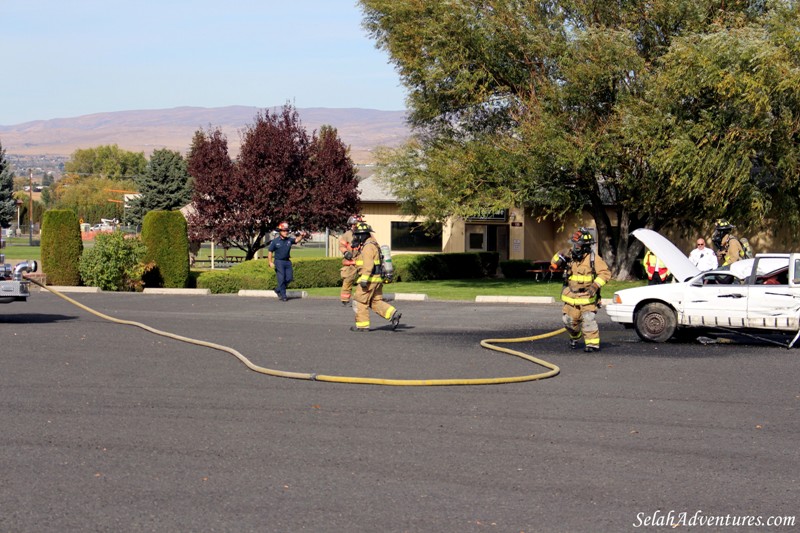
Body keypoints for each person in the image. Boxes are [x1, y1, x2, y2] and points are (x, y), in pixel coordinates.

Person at [550, 228, 611, 352]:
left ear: (585, 246)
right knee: (568, 321)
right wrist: (560, 255)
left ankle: (592, 344)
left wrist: (595, 286)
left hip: (586, 297)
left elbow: (605, 273)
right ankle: (575, 336)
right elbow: (553, 264)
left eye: (578, 244)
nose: (575, 247)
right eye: (574, 244)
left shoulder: (593, 259)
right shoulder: (569, 255)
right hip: (571, 298)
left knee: (588, 320)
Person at [350, 222, 401, 332]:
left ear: (363, 235)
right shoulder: (373, 244)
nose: (356, 237)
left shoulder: (368, 247)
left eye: (358, 235)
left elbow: (368, 265)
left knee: (360, 301)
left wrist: (364, 279)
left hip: (369, 280)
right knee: (375, 301)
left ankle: (362, 326)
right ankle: (393, 314)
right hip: (377, 280)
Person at [267, 221, 308, 302]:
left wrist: (301, 236)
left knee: (289, 278)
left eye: (287, 231)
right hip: (279, 262)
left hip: (287, 262)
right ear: (280, 231)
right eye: (284, 231)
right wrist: (270, 262)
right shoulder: (275, 241)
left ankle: (278, 289)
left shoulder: (289, 240)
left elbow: (296, 240)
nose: (286, 232)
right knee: (281, 279)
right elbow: (270, 252)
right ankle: (283, 295)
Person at [338, 215, 363, 305]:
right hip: (350, 261)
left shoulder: (365, 234)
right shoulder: (346, 235)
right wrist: (345, 252)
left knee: (364, 280)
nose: (354, 226)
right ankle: (345, 300)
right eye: (352, 224)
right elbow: (341, 246)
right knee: (348, 280)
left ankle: (362, 298)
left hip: (362, 261)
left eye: (356, 224)